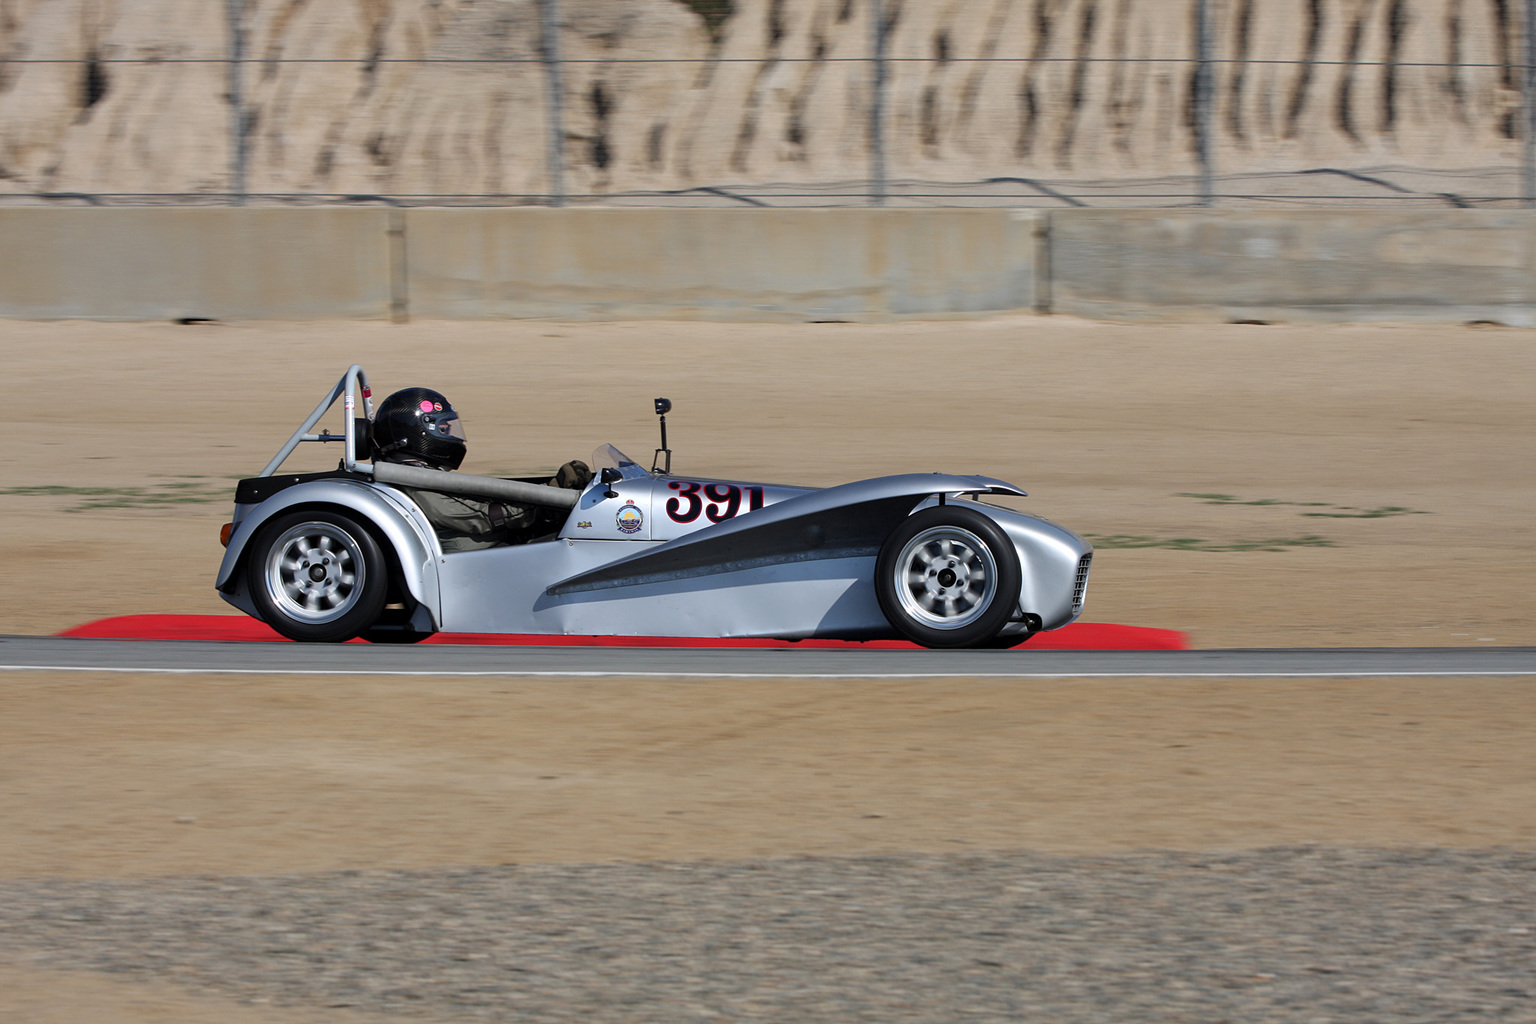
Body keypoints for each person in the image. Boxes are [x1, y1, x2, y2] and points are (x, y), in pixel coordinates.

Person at [370, 387, 591, 553]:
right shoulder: (415, 484)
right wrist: (551, 499)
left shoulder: (421, 477)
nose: (451, 436)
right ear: (421, 434)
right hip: (487, 559)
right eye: (444, 429)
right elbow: (483, 516)